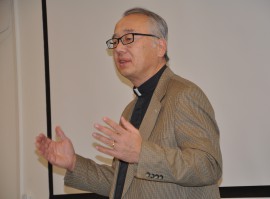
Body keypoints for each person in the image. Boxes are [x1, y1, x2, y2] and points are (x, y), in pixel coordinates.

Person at [36, 7, 222, 199]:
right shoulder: (130, 110)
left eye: (128, 38)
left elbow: (208, 166)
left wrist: (142, 154)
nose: (118, 48)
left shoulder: (184, 94)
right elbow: (122, 183)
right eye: (115, 41)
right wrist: (73, 162)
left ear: (160, 47)